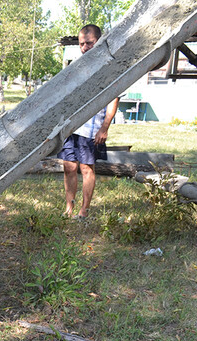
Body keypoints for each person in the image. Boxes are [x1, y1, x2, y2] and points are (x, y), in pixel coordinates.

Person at [58, 24, 120, 218]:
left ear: (99, 41)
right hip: (71, 127)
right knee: (68, 166)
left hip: (92, 128)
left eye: (89, 43)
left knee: (86, 168)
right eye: (82, 44)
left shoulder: (108, 68)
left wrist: (104, 127)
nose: (85, 47)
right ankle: (69, 208)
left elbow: (114, 98)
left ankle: (84, 211)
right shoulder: (76, 67)